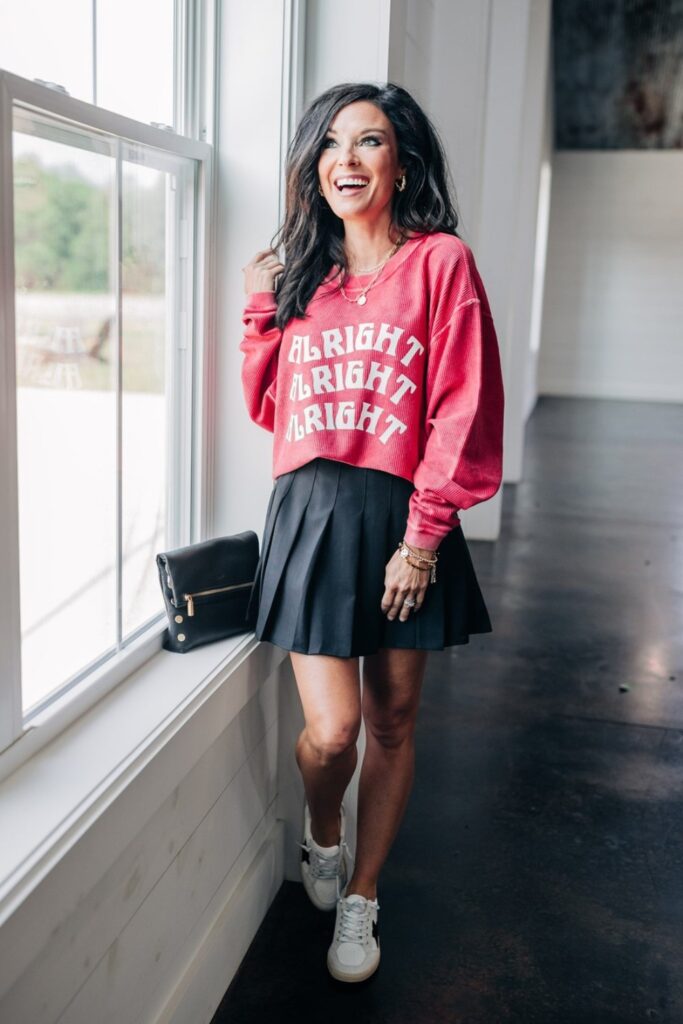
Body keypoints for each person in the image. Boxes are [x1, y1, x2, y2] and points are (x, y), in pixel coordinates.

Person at [238, 81, 504, 984]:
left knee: (391, 720)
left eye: (370, 142)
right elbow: (269, 406)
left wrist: (424, 535)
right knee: (334, 731)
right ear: (312, 167)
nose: (346, 159)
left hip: (401, 514)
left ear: (403, 161)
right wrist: (258, 312)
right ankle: (322, 832)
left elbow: (463, 409)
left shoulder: (439, 264)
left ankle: (362, 893)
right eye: (331, 145)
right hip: (310, 510)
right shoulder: (295, 276)